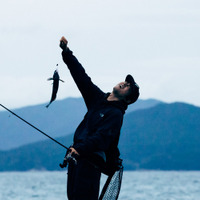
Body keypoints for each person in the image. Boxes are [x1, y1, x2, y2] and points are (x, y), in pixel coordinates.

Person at [59, 36, 139, 200]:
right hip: (77, 159)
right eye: (125, 82)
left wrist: (80, 149)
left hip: (91, 163)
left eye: (129, 87)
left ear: (128, 100)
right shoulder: (98, 99)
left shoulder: (116, 114)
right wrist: (67, 53)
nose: (125, 84)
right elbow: (81, 77)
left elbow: (101, 139)